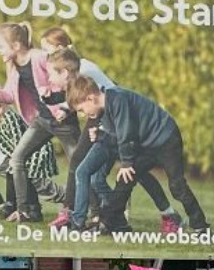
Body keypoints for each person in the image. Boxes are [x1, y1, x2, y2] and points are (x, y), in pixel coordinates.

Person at [64, 75, 206, 236]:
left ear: (91, 98)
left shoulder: (117, 99)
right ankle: (113, 224)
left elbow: (125, 133)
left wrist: (126, 163)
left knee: (177, 186)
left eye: (82, 110)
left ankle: (200, 226)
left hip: (166, 138)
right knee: (125, 179)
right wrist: (101, 136)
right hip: (146, 145)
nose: (82, 115)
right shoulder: (103, 109)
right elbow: (115, 136)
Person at [0, 22, 76, 224]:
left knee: (79, 167)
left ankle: (93, 210)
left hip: (63, 120)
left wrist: (55, 97)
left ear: (16, 46)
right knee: (17, 159)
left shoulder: (40, 57)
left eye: (0, 46)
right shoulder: (14, 69)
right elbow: (8, 96)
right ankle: (25, 211)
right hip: (41, 121)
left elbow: (65, 78)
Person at [0, 91, 60, 213]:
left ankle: (70, 199)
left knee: (42, 187)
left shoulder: (10, 118)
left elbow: (19, 143)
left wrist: (17, 163)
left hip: (36, 151)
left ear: (5, 105)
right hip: (19, 156)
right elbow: (4, 145)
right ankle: (21, 206)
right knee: (15, 173)